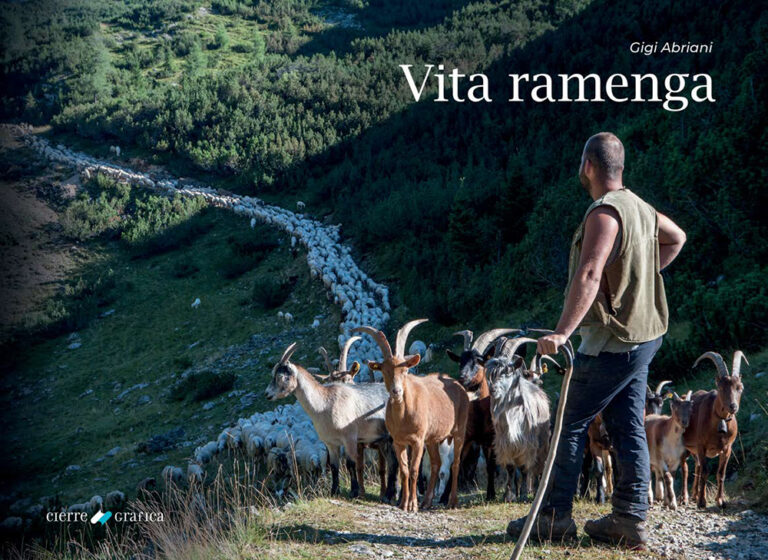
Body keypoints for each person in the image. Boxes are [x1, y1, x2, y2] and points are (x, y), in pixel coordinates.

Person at [506, 132, 686, 549]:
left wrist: (562, 332)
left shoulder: (604, 214)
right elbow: (676, 238)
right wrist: (640, 279)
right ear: (618, 168)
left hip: (612, 341)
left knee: (569, 423)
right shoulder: (641, 207)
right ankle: (629, 520)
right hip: (646, 337)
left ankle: (554, 518)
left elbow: (588, 274)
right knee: (626, 424)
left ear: (588, 165)